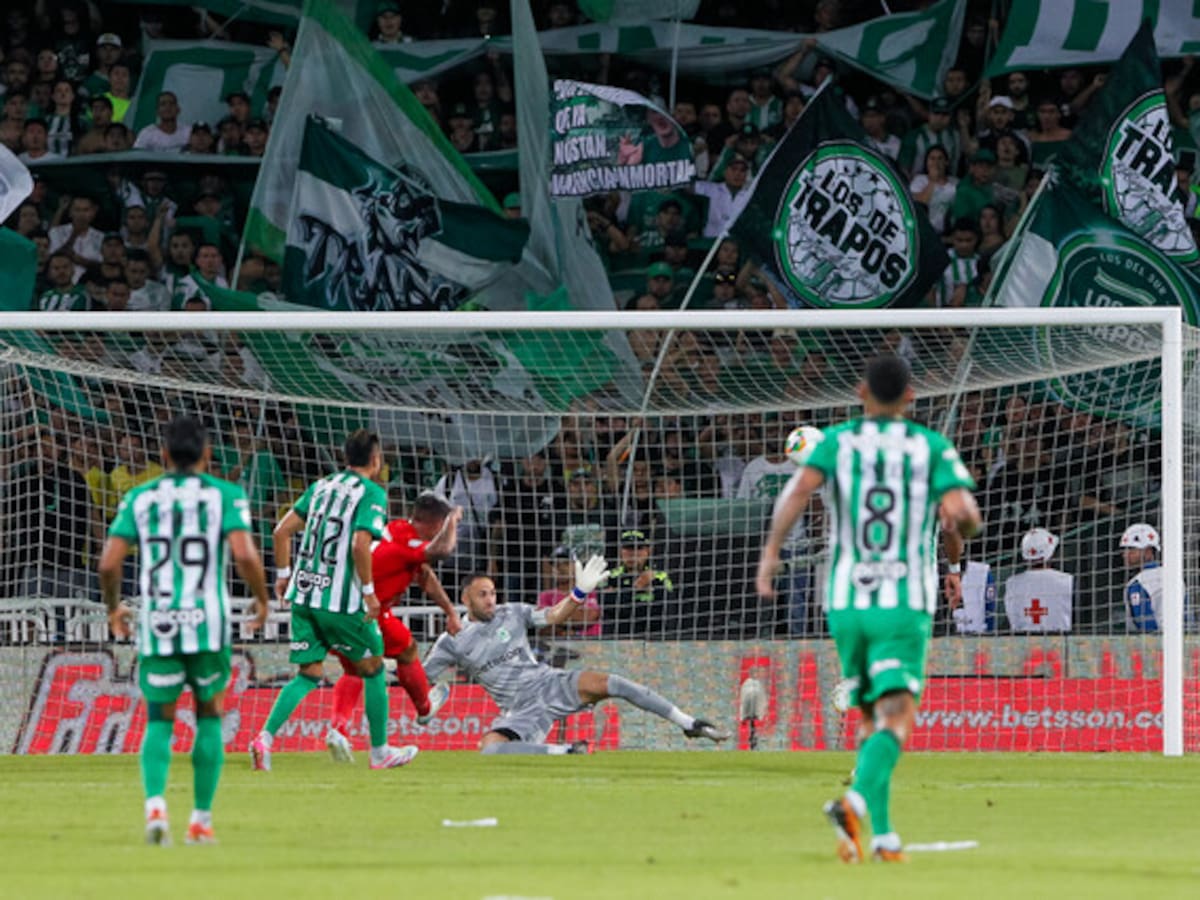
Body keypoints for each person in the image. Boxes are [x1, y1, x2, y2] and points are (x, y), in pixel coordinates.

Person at [756, 354, 981, 863]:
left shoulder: (837, 442)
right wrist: (959, 520)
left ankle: (880, 835)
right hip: (902, 600)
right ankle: (854, 801)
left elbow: (794, 495)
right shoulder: (930, 448)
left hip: (844, 597)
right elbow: (964, 519)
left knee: (868, 717)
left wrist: (771, 553)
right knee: (897, 715)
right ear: (911, 397)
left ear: (861, 392)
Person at [99, 415, 271, 846]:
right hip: (207, 626)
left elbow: (108, 563)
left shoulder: (140, 496)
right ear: (208, 454)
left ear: (163, 455)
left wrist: (113, 605)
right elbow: (245, 555)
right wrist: (262, 598)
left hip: (158, 625)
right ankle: (200, 820)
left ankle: (155, 807)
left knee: (159, 719)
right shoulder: (225, 494)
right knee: (209, 715)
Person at [422, 565, 729, 754]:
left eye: (492, 593)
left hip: (550, 682)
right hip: (520, 709)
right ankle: (566, 751)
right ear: (465, 599)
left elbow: (554, 616)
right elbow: (422, 680)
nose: (491, 600)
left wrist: (579, 592)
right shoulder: (452, 640)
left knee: (612, 682)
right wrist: (426, 704)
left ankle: (688, 722)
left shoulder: (511, 612)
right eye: (482, 595)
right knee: (490, 749)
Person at [250, 429, 418, 771]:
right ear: (375, 460)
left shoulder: (322, 486)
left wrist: (283, 576)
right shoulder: (372, 493)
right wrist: (370, 595)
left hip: (304, 594)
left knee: (308, 674)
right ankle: (380, 752)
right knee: (372, 669)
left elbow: (280, 531)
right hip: (339, 602)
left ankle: (263, 739)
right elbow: (360, 545)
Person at [324, 491, 464, 762]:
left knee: (354, 668)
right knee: (404, 651)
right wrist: (455, 521)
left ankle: (338, 731)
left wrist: (449, 611)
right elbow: (442, 551)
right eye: (444, 524)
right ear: (436, 524)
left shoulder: (398, 528)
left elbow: (424, 575)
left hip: (341, 607)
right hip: (367, 611)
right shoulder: (409, 543)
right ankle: (422, 711)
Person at [1003, 528, 1072, 632]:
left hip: (1020, 644)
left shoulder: (1012, 584)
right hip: (1060, 644)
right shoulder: (1067, 580)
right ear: (1051, 554)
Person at [1119, 523, 1163, 632]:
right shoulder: (1174, 576)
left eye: (1131, 549)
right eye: (1124, 550)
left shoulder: (1137, 584)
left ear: (1148, 552)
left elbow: (1146, 627)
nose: (1125, 554)